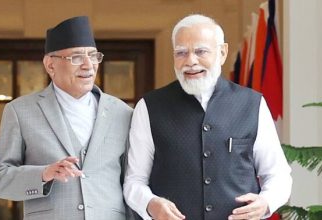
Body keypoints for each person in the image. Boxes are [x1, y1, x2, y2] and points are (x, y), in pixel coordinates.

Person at [123, 14, 292, 220]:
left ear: (222, 52)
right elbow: (134, 180)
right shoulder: (149, 106)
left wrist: (265, 202)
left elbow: (278, 175)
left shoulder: (252, 104)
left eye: (201, 51)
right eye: (181, 53)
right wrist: (150, 204)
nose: (191, 61)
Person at [0, 16, 133, 220]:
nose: (88, 65)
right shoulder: (20, 111)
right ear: (50, 65)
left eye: (93, 56)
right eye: (76, 57)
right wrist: (44, 174)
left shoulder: (123, 112)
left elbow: (134, 181)